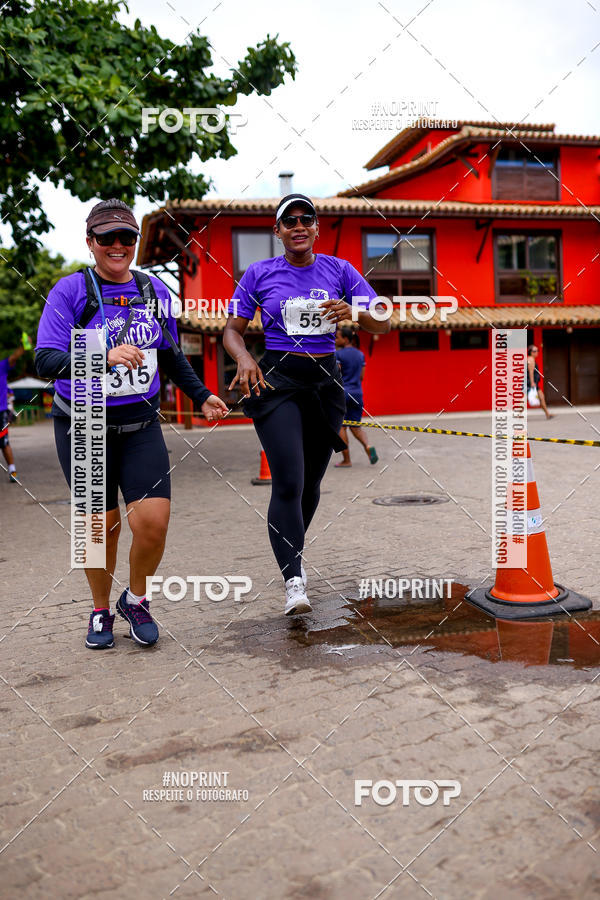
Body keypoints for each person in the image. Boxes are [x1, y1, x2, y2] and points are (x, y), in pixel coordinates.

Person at [36, 199, 227, 650]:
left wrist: (202, 395)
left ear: (135, 244)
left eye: (127, 237)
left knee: (154, 522)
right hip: (83, 424)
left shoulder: (154, 292)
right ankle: (100, 610)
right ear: (91, 243)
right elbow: (46, 358)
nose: (118, 245)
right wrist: (102, 356)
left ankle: (136, 599)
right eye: (107, 238)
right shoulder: (71, 291)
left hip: (141, 424)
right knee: (100, 529)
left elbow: (172, 355)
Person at [223, 193, 390, 616]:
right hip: (278, 379)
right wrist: (243, 357)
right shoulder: (259, 273)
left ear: (317, 227)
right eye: (289, 221)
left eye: (306, 219)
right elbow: (232, 331)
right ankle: (293, 579)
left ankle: (289, 550)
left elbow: (383, 322)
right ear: (277, 231)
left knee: (312, 484)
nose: (299, 226)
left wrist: (354, 312)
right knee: (289, 481)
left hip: (325, 383)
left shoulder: (341, 269)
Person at [334, 325, 378, 467]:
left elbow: (335, 374)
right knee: (356, 426)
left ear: (346, 339)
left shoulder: (338, 355)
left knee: (341, 427)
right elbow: (362, 376)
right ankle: (368, 446)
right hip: (357, 393)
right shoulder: (360, 354)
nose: (335, 340)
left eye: (337, 337)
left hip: (342, 393)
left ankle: (346, 460)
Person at [0, 341, 26, 482]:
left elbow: (14, 357)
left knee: (4, 442)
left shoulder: (1, 366)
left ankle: (12, 470)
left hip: (1, 412)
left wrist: (23, 345)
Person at [527, 344, 553, 419]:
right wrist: (532, 383)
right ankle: (518, 416)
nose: (537, 352)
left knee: (541, 397)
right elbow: (531, 372)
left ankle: (547, 414)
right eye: (535, 351)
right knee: (524, 400)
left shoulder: (530, 359)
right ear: (531, 352)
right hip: (530, 383)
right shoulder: (531, 359)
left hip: (532, 383)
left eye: (537, 350)